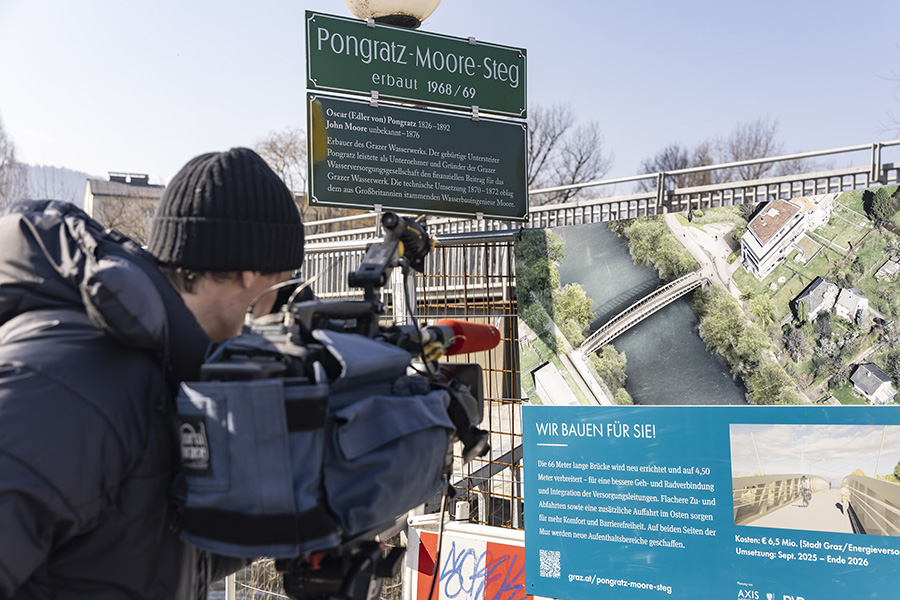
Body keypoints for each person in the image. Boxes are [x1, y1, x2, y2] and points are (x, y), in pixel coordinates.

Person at [0, 148, 305, 598]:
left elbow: (141, 554)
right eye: (281, 286)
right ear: (247, 274)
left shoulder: (164, 365)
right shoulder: (73, 380)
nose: (277, 310)